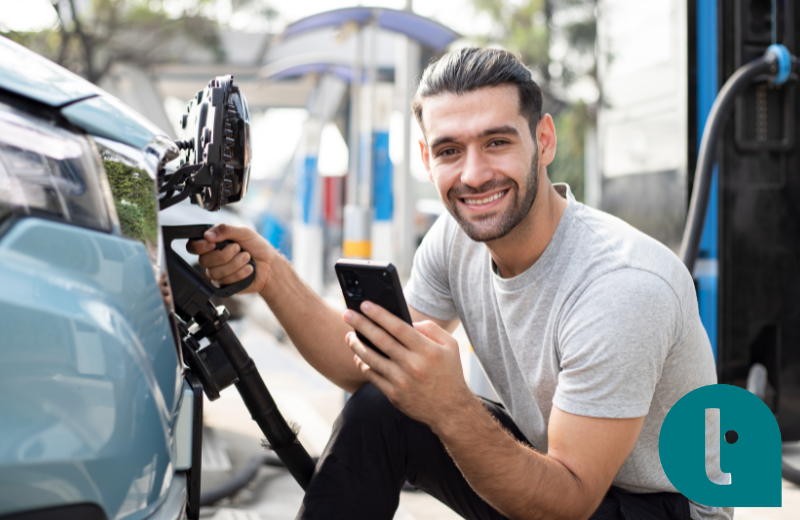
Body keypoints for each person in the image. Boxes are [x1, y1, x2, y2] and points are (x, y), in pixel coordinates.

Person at [189, 47, 732, 520]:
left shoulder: (619, 285)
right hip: (554, 477)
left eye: (497, 142)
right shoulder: (455, 239)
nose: (473, 174)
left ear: (543, 141)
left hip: (653, 506)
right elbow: (367, 368)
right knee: (382, 405)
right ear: (427, 159)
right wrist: (273, 277)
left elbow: (568, 503)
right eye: (450, 150)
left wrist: (449, 405)